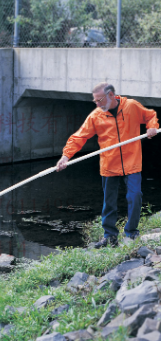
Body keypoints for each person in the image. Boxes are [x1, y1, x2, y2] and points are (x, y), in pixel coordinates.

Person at [56, 82, 159, 248]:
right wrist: (65, 156)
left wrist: (152, 127)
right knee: (108, 202)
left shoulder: (131, 106)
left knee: (135, 196)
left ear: (111, 95)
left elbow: (150, 115)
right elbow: (79, 137)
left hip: (132, 162)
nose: (97, 104)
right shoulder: (96, 116)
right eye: (95, 101)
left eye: (100, 100)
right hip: (109, 164)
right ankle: (110, 236)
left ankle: (131, 233)